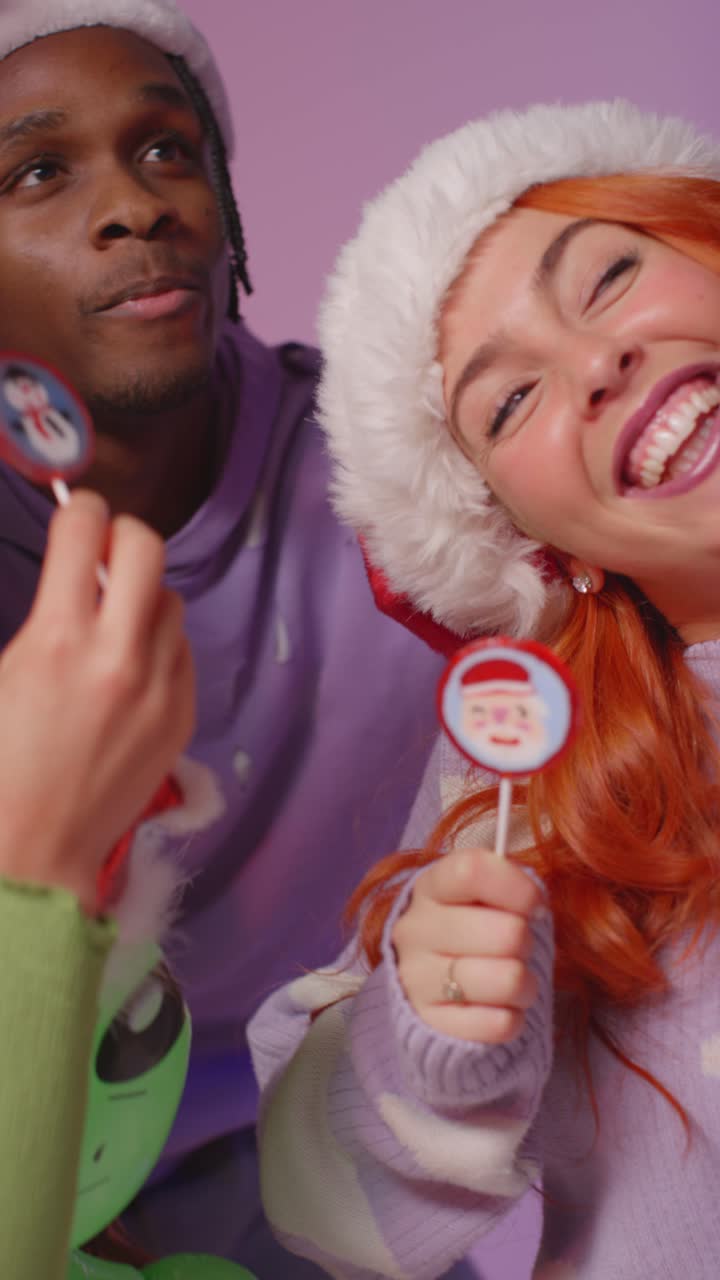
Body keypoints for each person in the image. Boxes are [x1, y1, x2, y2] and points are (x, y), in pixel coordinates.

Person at [0, 1, 444, 1273]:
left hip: (357, 1177)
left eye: (166, 149)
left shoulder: (397, 464)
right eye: (38, 171)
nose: (137, 206)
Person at [249, 99, 720, 1279]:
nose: (599, 363)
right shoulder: (538, 788)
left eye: (608, 274)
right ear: (538, 541)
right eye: (509, 401)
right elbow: (331, 1212)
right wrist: (428, 1040)